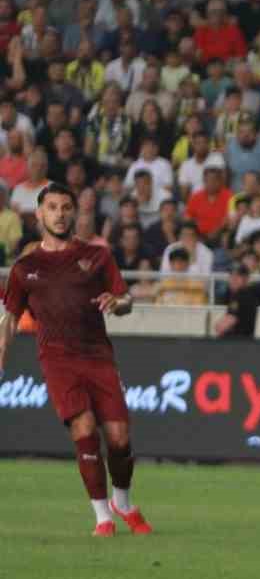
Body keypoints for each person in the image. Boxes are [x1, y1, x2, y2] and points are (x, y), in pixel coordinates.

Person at [0, 183, 154, 536]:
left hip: (98, 356)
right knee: (83, 430)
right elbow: (8, 318)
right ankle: (102, 517)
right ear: (39, 214)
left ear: (75, 212)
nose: (59, 213)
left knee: (118, 439)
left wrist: (120, 304)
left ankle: (123, 502)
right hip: (58, 360)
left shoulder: (98, 255)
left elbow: (126, 299)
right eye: (52, 207)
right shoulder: (25, 268)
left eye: (66, 207)